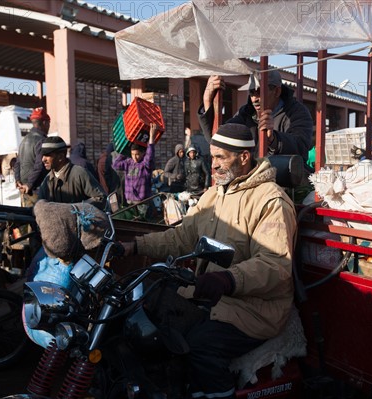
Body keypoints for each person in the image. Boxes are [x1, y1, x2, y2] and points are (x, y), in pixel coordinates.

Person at [121, 123, 296, 399]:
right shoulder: (214, 195)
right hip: (212, 297)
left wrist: (228, 278)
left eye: (220, 158)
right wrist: (135, 246)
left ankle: (219, 392)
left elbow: (275, 264)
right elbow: (181, 238)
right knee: (150, 320)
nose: (212, 165)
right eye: (211, 157)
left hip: (255, 309)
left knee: (199, 345)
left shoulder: (270, 200)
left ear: (243, 158)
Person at [198, 70, 313, 160]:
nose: (255, 99)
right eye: (252, 92)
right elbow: (220, 139)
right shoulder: (246, 113)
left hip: (285, 183)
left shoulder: (296, 112)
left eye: (260, 92)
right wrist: (207, 101)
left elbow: (301, 145)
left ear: (277, 91)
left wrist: (274, 139)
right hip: (251, 180)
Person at [37, 136, 105, 207]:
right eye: (43, 155)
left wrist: (75, 209)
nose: (43, 159)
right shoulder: (47, 180)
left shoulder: (79, 174)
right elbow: (39, 205)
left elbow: (101, 198)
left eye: (47, 155)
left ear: (60, 157)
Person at [112, 124, 157, 205]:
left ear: (143, 153)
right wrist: (124, 151)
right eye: (132, 154)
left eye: (137, 154)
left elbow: (150, 156)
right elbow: (115, 165)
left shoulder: (144, 165)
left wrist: (151, 138)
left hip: (142, 202)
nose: (135, 157)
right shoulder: (128, 163)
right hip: (129, 201)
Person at [14, 107, 49, 208]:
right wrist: (29, 184)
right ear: (45, 123)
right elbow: (40, 165)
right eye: (48, 124)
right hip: (37, 189)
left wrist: (18, 181)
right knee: (40, 219)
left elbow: (17, 163)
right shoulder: (41, 140)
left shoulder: (24, 140)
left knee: (28, 218)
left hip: (25, 188)